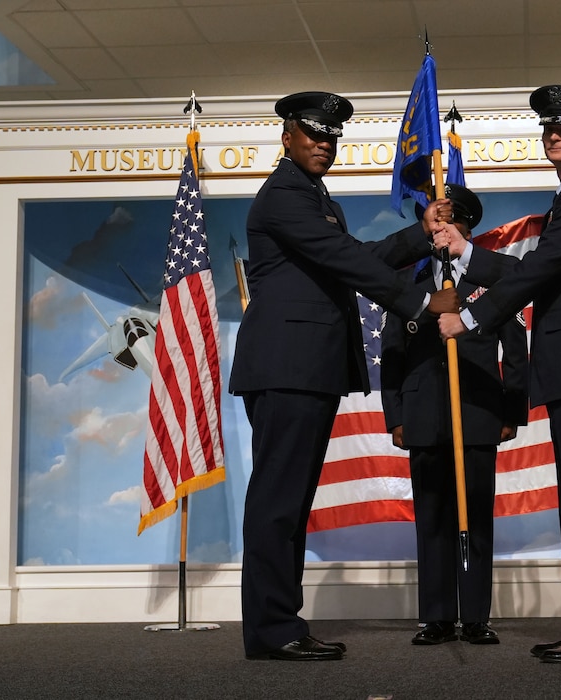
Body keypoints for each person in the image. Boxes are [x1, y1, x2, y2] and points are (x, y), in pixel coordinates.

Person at [229, 91, 458, 661]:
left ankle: (279, 624)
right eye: (313, 134)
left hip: (306, 369)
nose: (324, 145)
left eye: (331, 137)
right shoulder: (284, 195)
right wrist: (421, 302)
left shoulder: (313, 198)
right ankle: (272, 629)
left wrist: (419, 233)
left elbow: (352, 254)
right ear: (287, 136)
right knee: (279, 501)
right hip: (287, 366)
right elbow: (345, 260)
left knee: (290, 500)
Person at [437, 85, 561, 663]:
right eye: (549, 128)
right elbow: (540, 268)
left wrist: (469, 318)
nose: (555, 135)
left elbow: (542, 267)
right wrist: (466, 252)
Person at [381, 184, 529, 647]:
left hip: (479, 411)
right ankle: (437, 617)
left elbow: (516, 350)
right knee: (432, 517)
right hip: (424, 415)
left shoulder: (492, 282)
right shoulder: (408, 287)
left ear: (467, 229)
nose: (445, 233)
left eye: (454, 224)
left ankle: (476, 617)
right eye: (439, 224)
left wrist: (512, 410)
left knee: (477, 516)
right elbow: (392, 354)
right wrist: (395, 416)